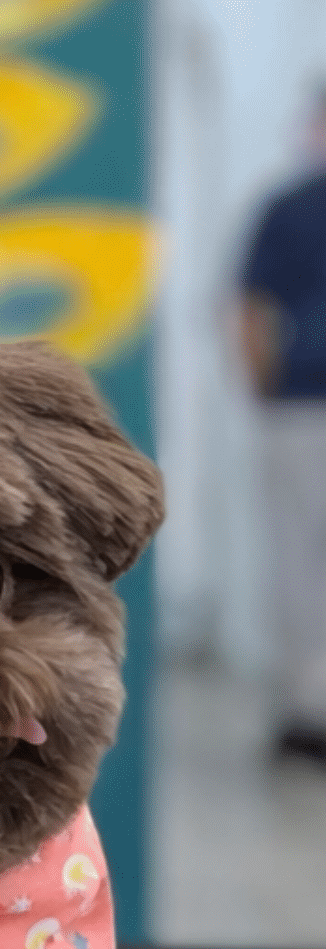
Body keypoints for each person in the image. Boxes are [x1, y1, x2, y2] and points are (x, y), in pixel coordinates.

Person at [239, 92, 326, 765]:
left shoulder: (288, 209)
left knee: (300, 565)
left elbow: (252, 316)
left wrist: (263, 391)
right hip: (299, 404)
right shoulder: (289, 209)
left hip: (298, 408)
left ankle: (308, 713)